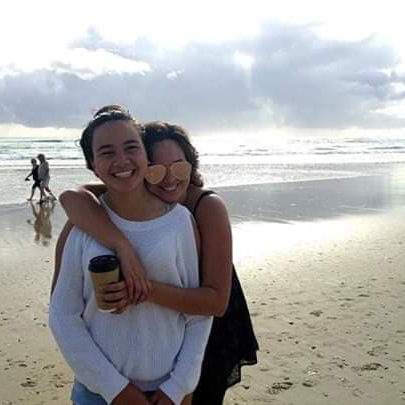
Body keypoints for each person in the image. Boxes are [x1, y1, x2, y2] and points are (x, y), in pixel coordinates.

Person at [57, 120, 259, 404]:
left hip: (212, 322)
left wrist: (138, 288)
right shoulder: (95, 217)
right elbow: (74, 195)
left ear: (191, 165)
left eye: (179, 167)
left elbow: (213, 304)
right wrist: (122, 246)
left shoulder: (199, 210)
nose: (169, 179)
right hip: (146, 350)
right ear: (146, 167)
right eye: (157, 170)